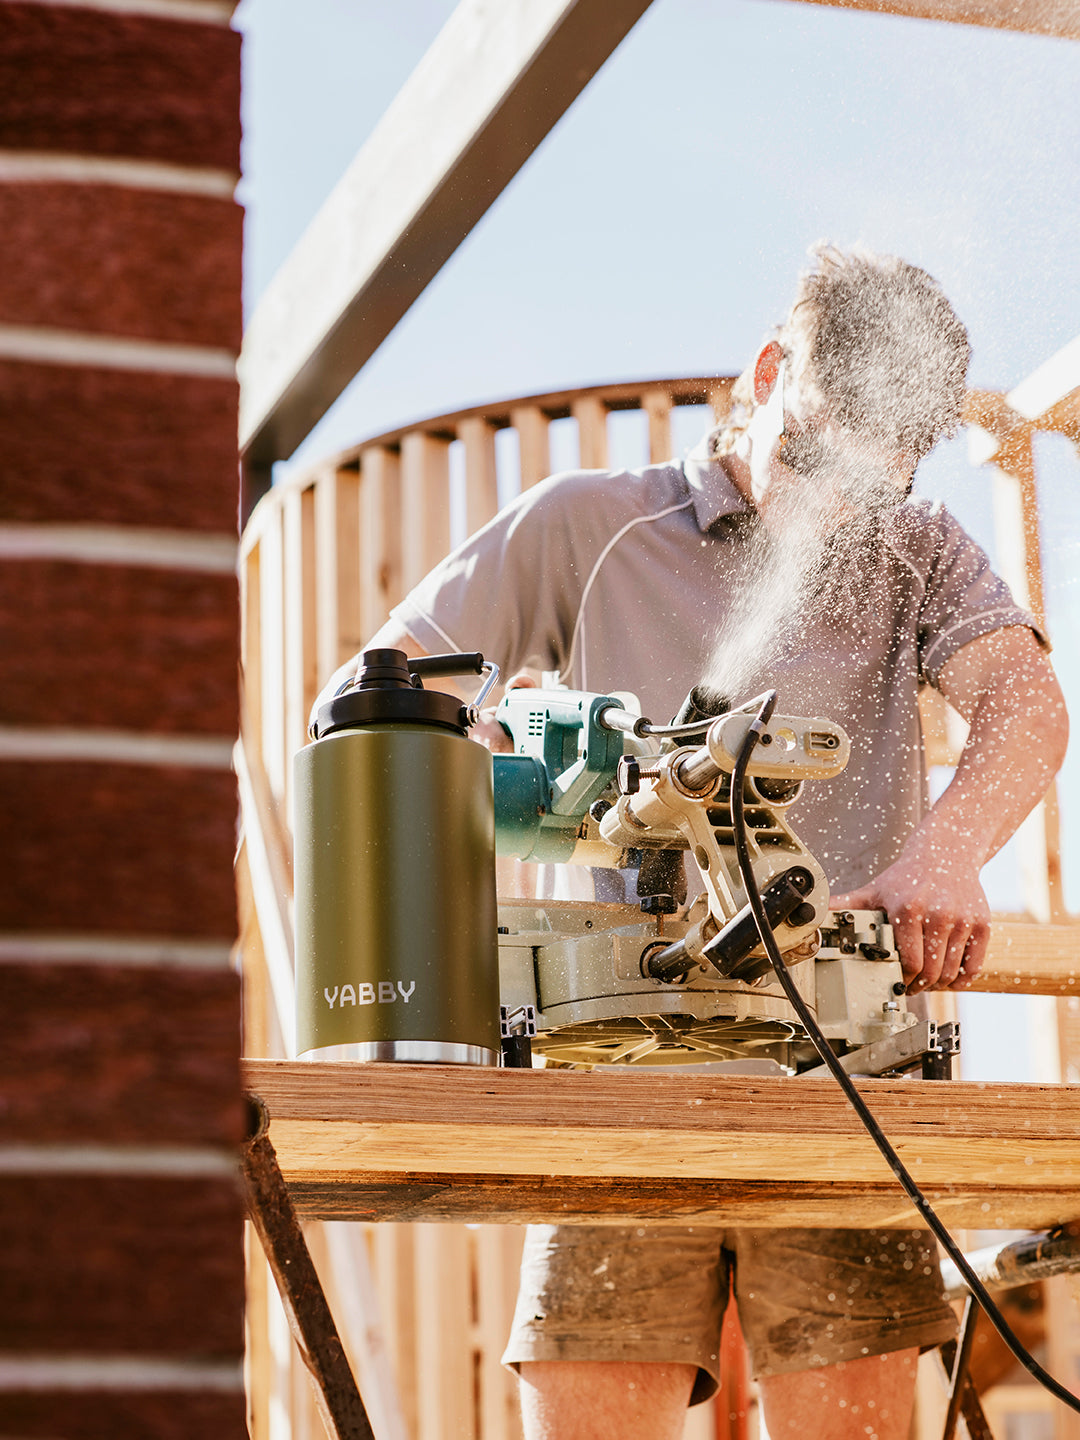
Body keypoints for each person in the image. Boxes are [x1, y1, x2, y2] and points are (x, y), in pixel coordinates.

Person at [319, 244, 1068, 1439]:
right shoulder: (589, 525)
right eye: (816, 458)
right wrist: (486, 745)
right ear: (771, 373)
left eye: (872, 484)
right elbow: (378, 689)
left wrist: (946, 852)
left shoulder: (917, 546)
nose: (835, 508)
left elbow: (1028, 705)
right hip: (615, 1069)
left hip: (846, 1070)